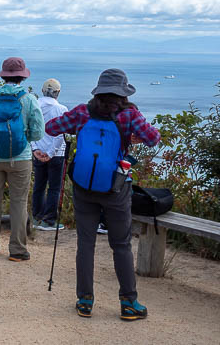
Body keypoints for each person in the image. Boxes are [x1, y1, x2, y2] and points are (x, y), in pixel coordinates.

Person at [46, 68, 160, 321]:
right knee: (121, 245)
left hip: (83, 186)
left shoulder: (82, 112)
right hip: (116, 188)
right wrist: (130, 137)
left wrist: (78, 130)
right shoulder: (129, 115)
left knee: (85, 244)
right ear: (123, 93)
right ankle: (129, 303)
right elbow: (153, 139)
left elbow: (51, 127)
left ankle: (85, 300)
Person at [0, 57, 44, 261]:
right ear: (22, 77)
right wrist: (24, 139)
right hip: (20, 158)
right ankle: (17, 249)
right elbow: (38, 132)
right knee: (19, 202)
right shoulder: (29, 99)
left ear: (3, 75)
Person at [30, 79, 68, 231]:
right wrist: (51, 153)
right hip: (57, 153)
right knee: (54, 188)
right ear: (57, 93)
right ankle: (49, 220)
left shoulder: (35, 106)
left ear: (42, 90)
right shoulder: (62, 109)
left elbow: (30, 129)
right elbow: (60, 134)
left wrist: (35, 149)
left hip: (38, 151)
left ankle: (37, 216)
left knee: (39, 186)